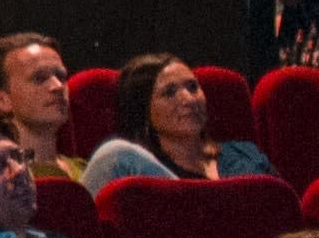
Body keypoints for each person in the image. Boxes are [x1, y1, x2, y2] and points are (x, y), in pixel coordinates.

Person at [81, 54, 268, 185]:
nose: (189, 99)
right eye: (169, 92)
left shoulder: (246, 154)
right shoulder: (139, 172)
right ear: (144, 111)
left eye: (193, 87)